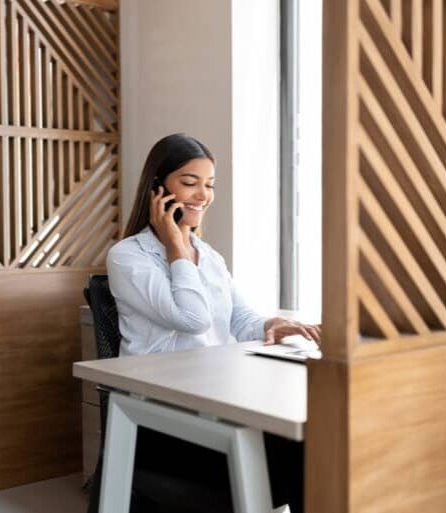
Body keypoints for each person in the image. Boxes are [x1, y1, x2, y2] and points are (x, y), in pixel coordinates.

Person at [104, 133, 319, 513]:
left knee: (313, 450)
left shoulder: (211, 257)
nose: (203, 195)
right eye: (189, 183)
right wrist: (176, 248)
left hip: (216, 405)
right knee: (299, 456)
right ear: (157, 187)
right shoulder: (127, 257)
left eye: (209, 184)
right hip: (163, 419)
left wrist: (273, 323)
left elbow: (237, 318)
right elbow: (193, 319)